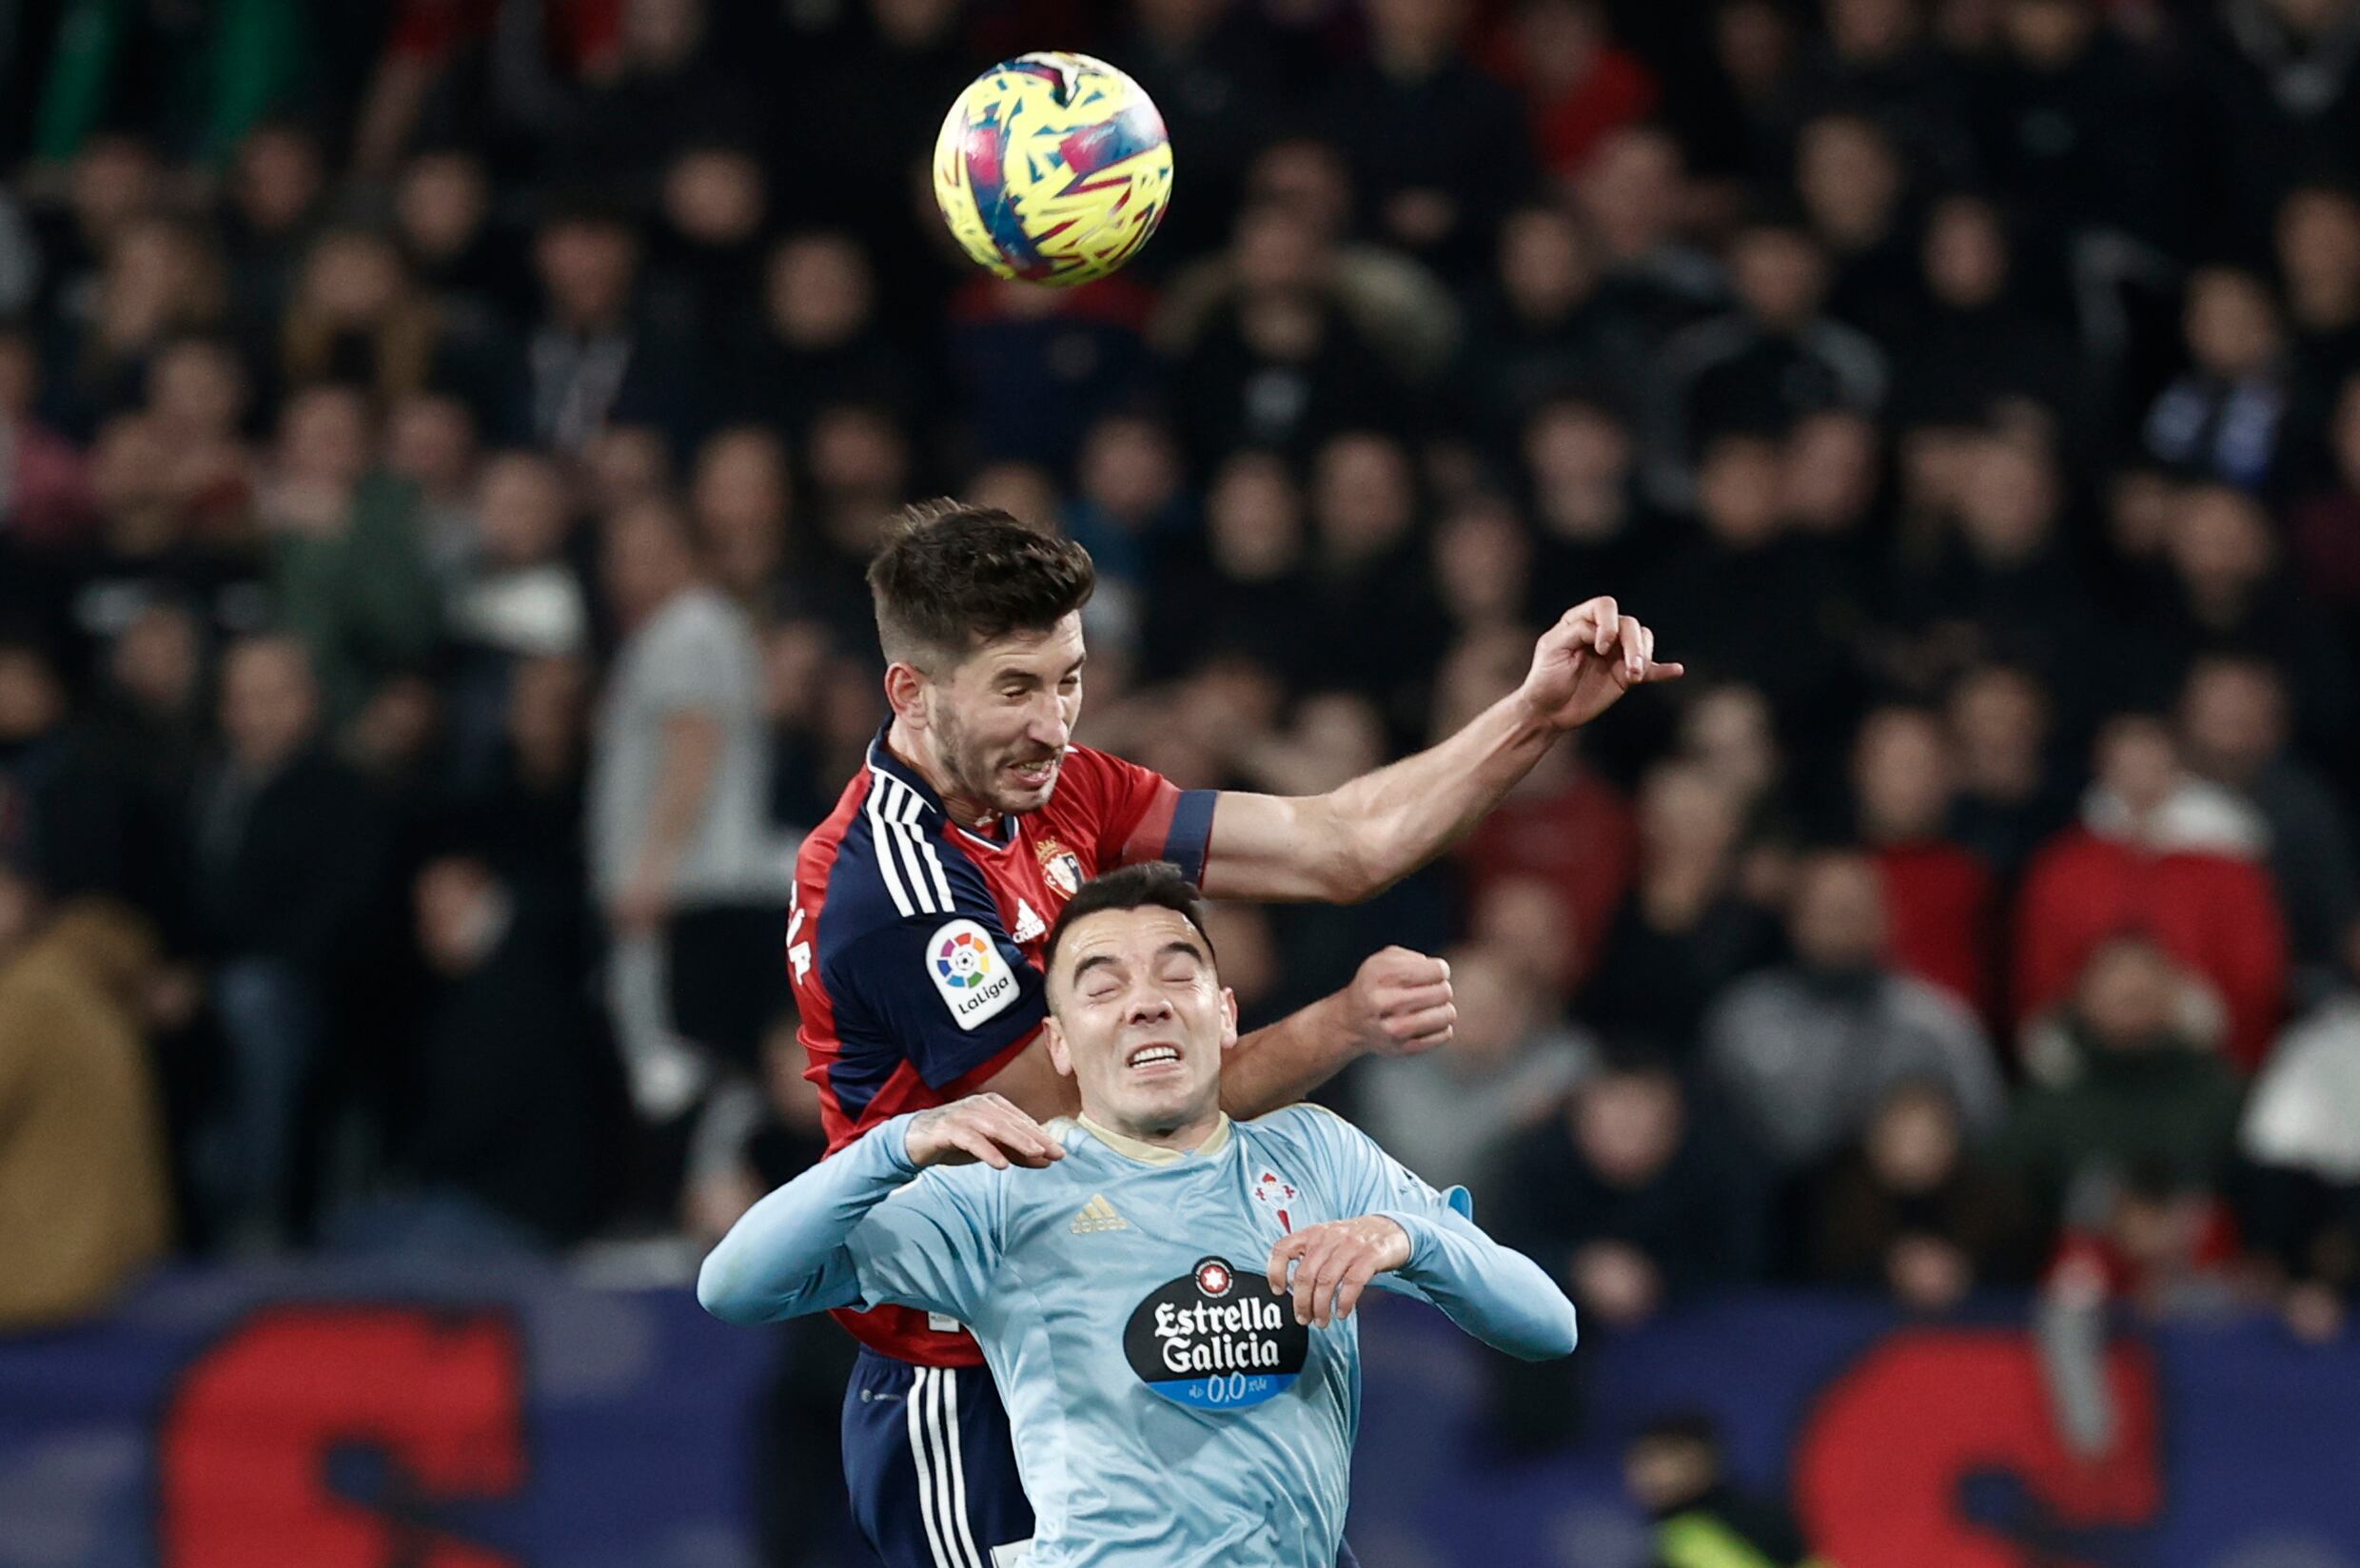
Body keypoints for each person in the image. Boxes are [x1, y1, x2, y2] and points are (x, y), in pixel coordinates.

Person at [787, 501, 1673, 1568]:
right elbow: (1088, 1119)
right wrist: (1338, 1025)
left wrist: (1530, 715)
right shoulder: (891, 886)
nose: (1053, 725)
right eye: (1014, 689)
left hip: (1135, 1305)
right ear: (910, 692)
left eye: (1067, 679)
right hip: (969, 1368)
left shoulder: (1060, 790)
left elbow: (1340, 843)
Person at [702, 863, 1578, 1568]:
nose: (1146, 1000)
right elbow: (734, 1285)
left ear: (1225, 1014)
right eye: (1100, 982)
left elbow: (1549, 1324)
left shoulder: (1317, 1154)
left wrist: (1409, 1237)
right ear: (1060, 1044)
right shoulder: (1005, 1190)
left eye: (1177, 970)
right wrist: (894, 1146)